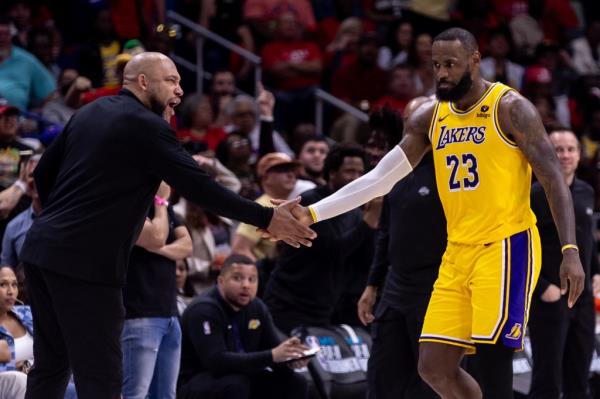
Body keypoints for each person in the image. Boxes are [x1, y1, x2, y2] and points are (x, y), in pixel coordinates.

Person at [284, 27, 585, 398]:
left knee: (492, 363)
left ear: (475, 61)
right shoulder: (430, 117)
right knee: (433, 366)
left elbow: (553, 177)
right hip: (457, 251)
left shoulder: (510, 107)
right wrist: (313, 212)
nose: (441, 73)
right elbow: (379, 179)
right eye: (436, 65)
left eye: (451, 65)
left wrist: (570, 251)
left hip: (506, 246)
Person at [19, 52, 315, 399]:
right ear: (143, 82)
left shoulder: (89, 112)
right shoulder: (147, 126)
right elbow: (199, 186)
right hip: (84, 263)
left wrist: (68, 217)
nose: (179, 90)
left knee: (52, 365)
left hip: (40, 250)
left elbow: (42, 174)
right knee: (101, 376)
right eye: (171, 81)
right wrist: (266, 217)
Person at [357, 101, 445, 399]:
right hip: (394, 288)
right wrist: (372, 284)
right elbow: (385, 232)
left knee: (429, 383)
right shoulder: (394, 169)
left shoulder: (452, 171)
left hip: (436, 289)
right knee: (381, 378)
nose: (415, 125)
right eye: (410, 119)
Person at [264, 145, 381, 334]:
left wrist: (372, 224)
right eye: (350, 171)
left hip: (325, 308)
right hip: (288, 303)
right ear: (332, 173)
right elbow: (332, 252)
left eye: (360, 172)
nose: (356, 178)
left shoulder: (356, 212)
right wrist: (369, 222)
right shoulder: (312, 204)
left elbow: (365, 260)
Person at [528, 129, 599, 398]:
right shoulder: (534, 195)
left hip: (582, 300)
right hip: (549, 297)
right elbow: (524, 246)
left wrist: (597, 272)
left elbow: (586, 237)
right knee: (547, 381)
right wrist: (541, 285)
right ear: (548, 154)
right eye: (559, 149)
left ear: (580, 156)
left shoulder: (586, 192)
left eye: (571, 149)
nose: (565, 155)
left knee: (578, 378)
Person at [178, 254, 310, 399]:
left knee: (295, 382)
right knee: (236, 384)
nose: (246, 285)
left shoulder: (257, 307)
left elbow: (273, 351)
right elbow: (216, 362)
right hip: (195, 381)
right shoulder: (204, 310)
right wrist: (273, 355)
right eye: (237, 278)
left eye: (252, 279)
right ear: (221, 281)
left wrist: (290, 359)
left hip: (240, 377)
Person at [121, 181, 193, 399]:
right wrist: (161, 201)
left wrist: (158, 250)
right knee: (136, 394)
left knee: (167, 395)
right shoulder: (128, 202)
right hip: (139, 313)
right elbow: (157, 236)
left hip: (169, 313)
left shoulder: (166, 209)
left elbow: (187, 246)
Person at [232, 153, 301, 262]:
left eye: (292, 170)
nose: (291, 174)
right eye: (282, 170)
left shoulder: (288, 205)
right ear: (265, 177)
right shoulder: (261, 206)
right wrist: (261, 276)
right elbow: (240, 249)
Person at [1, 154, 40, 268]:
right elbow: (7, 273)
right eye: (32, 175)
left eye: (43, 174)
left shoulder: (67, 218)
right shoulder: (14, 227)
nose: (38, 180)